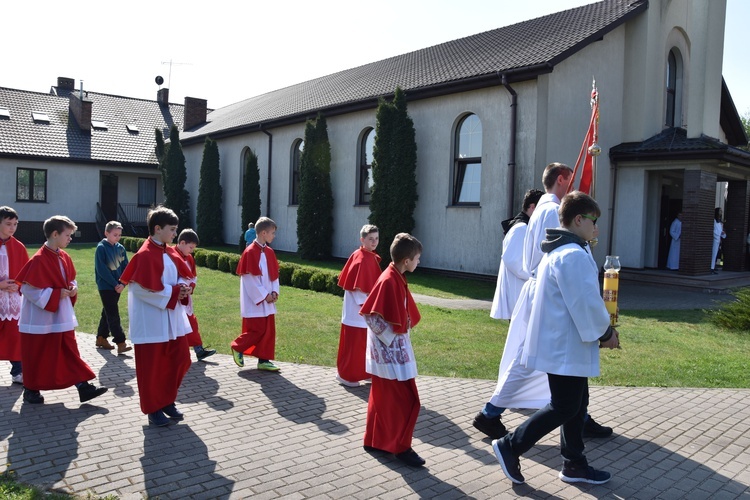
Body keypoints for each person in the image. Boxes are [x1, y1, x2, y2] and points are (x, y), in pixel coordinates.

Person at [473, 162, 612, 440]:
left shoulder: (544, 207)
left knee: (552, 359)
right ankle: (490, 413)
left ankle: (580, 415)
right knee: (529, 359)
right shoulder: (551, 209)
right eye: (570, 181)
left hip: (544, 288)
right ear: (561, 180)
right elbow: (561, 251)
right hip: (548, 291)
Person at [492, 191, 620, 485]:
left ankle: (574, 463)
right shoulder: (572, 255)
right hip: (565, 347)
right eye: (594, 221)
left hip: (565, 344)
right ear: (578, 219)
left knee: (577, 404)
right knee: (565, 406)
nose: (596, 228)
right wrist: (606, 333)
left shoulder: (559, 252)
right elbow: (585, 303)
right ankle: (510, 445)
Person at [16, 215, 108, 405]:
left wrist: (73, 287)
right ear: (55, 234)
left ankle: (83, 386)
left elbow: (71, 279)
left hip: (61, 314)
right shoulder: (38, 259)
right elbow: (27, 288)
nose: (70, 239)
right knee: (37, 353)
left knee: (69, 350)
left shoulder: (64, 256)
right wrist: (56, 294)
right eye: (68, 235)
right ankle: (31, 389)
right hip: (39, 319)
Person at [119, 206, 193, 426]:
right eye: (172, 229)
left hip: (172, 319)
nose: (174, 234)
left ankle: (167, 400)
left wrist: (184, 288)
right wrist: (173, 292)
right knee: (152, 368)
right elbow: (141, 289)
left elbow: (183, 277)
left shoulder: (170, 252)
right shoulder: (144, 255)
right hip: (151, 320)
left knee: (180, 359)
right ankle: (153, 409)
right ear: (157, 229)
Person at [360, 233, 425, 467]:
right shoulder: (389, 279)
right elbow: (371, 316)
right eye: (417, 258)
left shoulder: (396, 276)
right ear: (406, 260)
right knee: (408, 401)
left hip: (392, 351)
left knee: (383, 398)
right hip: (389, 355)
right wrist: (392, 339)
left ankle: (374, 440)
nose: (419, 262)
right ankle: (401, 448)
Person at [335, 224, 382, 387]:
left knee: (366, 344)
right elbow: (356, 289)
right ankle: (346, 375)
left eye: (376, 238)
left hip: (367, 311)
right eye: (370, 239)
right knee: (354, 346)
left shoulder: (371, 256)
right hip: (357, 312)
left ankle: (365, 372)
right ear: (362, 240)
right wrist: (370, 305)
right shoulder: (360, 257)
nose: (374, 242)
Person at [232, 217, 281, 372]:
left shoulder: (270, 252)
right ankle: (237, 347)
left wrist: (274, 292)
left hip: (268, 298)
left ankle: (264, 359)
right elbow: (249, 279)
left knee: (268, 330)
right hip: (256, 300)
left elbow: (274, 275)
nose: (274, 236)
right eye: (272, 233)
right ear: (263, 233)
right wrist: (264, 295)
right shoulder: (249, 252)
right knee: (257, 329)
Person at [490, 189, 544, 320]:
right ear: (533, 207)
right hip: (518, 294)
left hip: (521, 293)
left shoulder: (524, 227)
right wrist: (540, 278)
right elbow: (514, 262)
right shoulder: (520, 228)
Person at [175, 228, 216, 361]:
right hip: (174, 297)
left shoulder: (190, 258)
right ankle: (179, 351)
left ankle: (198, 349)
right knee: (178, 324)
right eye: (190, 247)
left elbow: (193, 277)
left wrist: (190, 287)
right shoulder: (171, 256)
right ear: (182, 243)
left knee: (192, 322)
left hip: (186, 297)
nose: (192, 250)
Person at [94, 221, 132, 355]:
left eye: (119, 235)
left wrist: (123, 283)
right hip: (106, 286)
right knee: (113, 314)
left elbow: (126, 267)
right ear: (106, 233)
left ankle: (101, 338)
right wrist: (115, 284)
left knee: (107, 312)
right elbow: (102, 270)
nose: (118, 237)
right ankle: (120, 342)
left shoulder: (120, 248)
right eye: (115, 234)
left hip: (118, 286)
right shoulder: (101, 248)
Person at [0, 206, 29, 385]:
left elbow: (25, 274)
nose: (12, 228)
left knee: (14, 335)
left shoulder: (18, 247)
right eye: (8, 224)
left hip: (12, 301)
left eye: (15, 224)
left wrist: (16, 285)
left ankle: (18, 371)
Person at [711, 207, 726, 274]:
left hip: (718, 240)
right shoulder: (714, 221)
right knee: (713, 254)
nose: (721, 212)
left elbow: (720, 231)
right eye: (720, 211)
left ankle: (713, 267)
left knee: (715, 254)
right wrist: (718, 236)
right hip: (714, 240)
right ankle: (711, 268)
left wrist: (722, 233)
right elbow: (714, 231)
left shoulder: (719, 222)